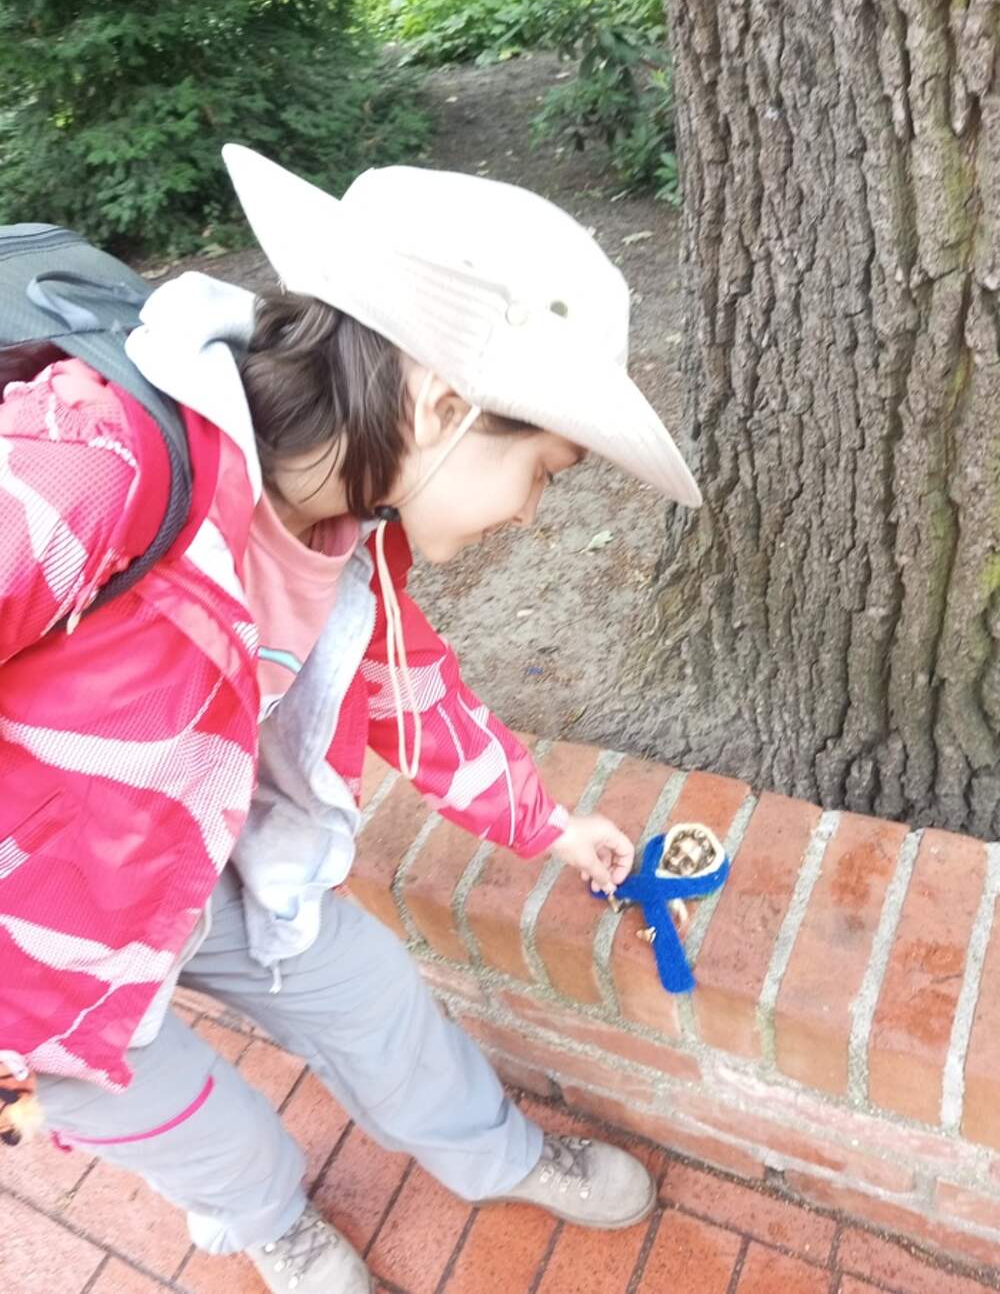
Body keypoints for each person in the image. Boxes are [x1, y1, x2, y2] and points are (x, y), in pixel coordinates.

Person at [0, 146, 702, 1292]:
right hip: (31, 952)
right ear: (441, 404)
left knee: (376, 1002)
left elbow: (408, 691)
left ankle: (499, 1158)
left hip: (213, 854)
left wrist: (548, 826)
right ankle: (270, 1222)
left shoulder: (346, 535)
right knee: (201, 1130)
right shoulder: (85, 469)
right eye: (545, 471)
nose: (532, 514)